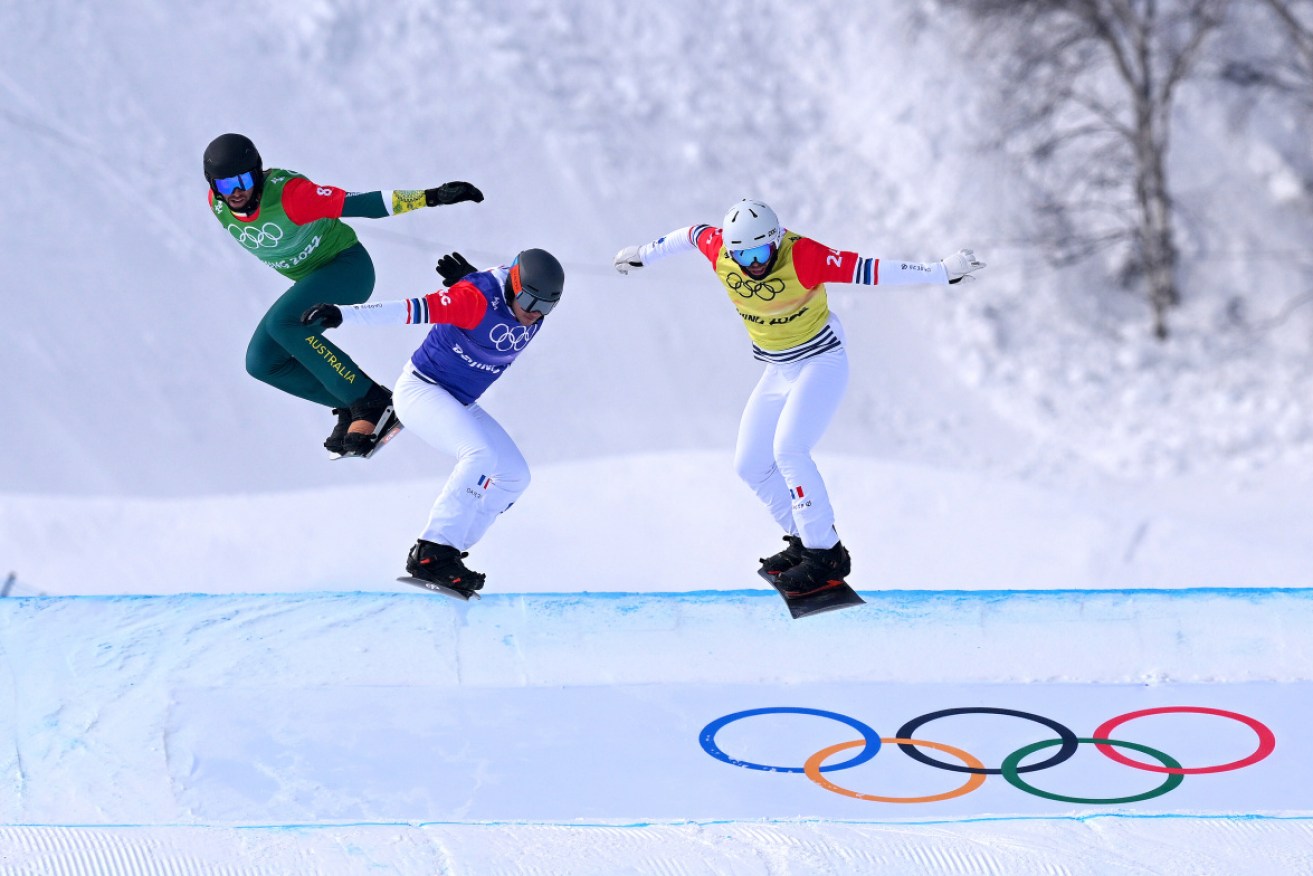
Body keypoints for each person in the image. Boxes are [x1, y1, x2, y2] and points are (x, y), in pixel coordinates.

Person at [613, 200, 984, 598]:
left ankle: (826, 556)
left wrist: (940, 272)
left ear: (776, 241)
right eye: (743, 256)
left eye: (760, 253)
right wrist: (644, 255)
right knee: (750, 464)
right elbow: (689, 234)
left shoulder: (804, 256)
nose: (753, 264)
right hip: (779, 369)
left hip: (821, 360)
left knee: (789, 450)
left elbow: (874, 271)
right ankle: (807, 540)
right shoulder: (719, 247)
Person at [203, 132, 485, 458]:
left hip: (348, 270)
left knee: (284, 324)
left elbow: (362, 203)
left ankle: (370, 400)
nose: (235, 191)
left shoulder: (292, 195)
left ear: (256, 173)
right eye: (224, 185)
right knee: (261, 362)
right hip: (313, 280)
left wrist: (432, 196)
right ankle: (350, 405)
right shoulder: (218, 206)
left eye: (242, 180)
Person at [301, 248, 565, 593]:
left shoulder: (517, 300)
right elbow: (404, 310)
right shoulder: (472, 300)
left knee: (515, 476)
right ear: (516, 286)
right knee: (479, 454)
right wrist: (342, 315)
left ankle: (450, 552)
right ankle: (431, 553)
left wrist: (478, 284)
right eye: (530, 301)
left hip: (458, 401)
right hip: (421, 390)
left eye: (546, 307)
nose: (533, 314)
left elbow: (499, 288)